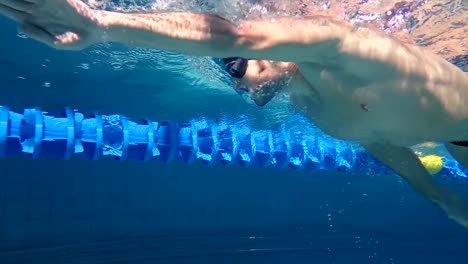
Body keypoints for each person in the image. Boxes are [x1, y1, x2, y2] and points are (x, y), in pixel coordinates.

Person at [1, 0, 468, 228]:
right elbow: (379, 141)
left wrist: (103, 24)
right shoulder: (311, 105)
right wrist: (434, 194)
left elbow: (234, 34)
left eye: (237, 68)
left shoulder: (344, 48)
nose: (239, 83)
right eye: (229, 76)